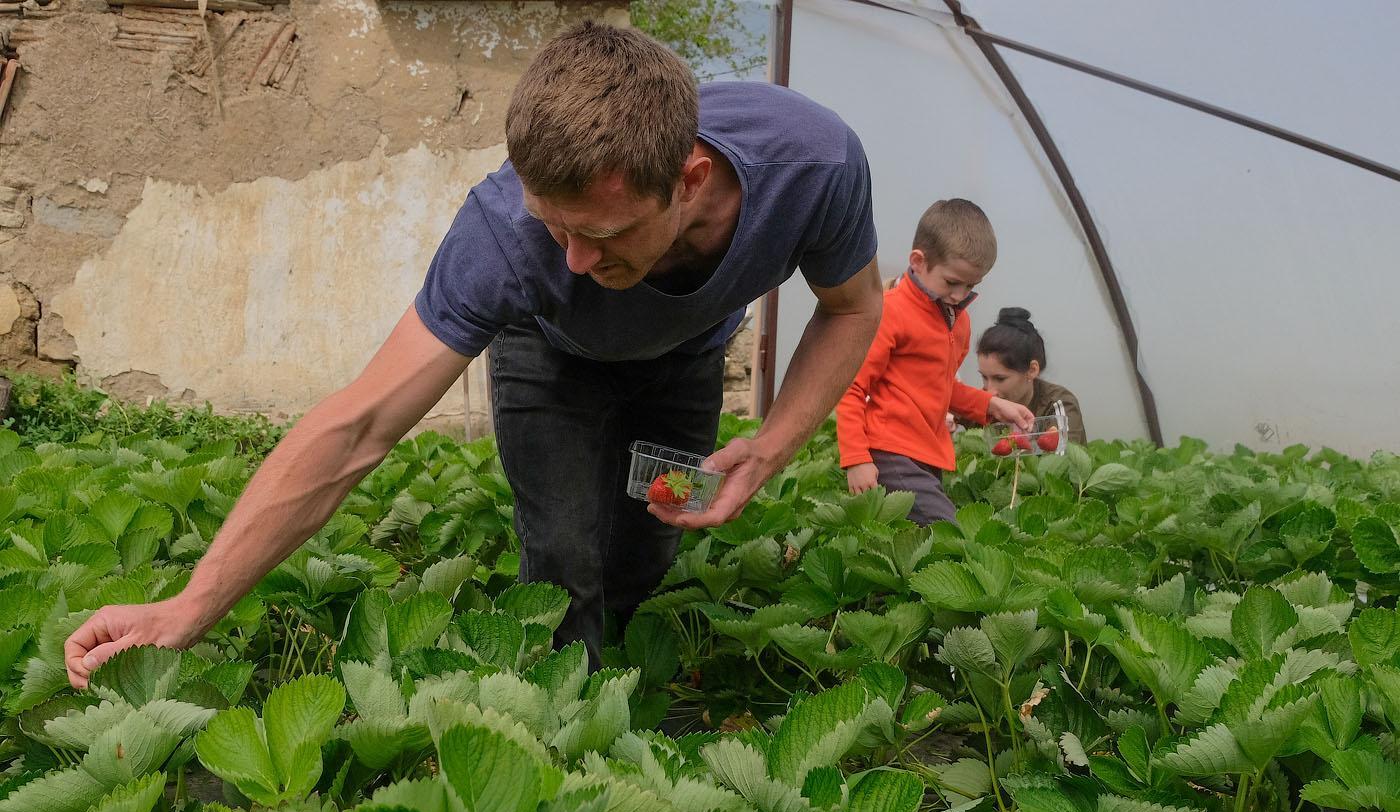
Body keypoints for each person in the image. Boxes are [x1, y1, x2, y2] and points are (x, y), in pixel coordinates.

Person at [64, 22, 884, 685]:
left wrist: (773, 447)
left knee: (646, 548)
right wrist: (186, 609)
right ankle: (559, 728)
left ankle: (623, 692)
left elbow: (850, 310)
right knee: (561, 554)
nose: (573, 262)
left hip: (687, 359)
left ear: (691, 179)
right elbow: (359, 427)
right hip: (551, 359)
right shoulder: (502, 237)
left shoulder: (816, 166)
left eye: (602, 234)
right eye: (553, 227)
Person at [836, 199, 1034, 526]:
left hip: (927, 454)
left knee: (915, 547)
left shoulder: (959, 320)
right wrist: (856, 458)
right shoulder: (891, 312)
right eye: (952, 282)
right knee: (947, 536)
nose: (960, 294)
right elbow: (852, 385)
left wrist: (992, 406)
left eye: (971, 285)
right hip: (890, 452)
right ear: (918, 261)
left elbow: (942, 387)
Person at [976, 307, 1087, 443]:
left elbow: (1062, 461)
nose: (990, 391)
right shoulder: (978, 403)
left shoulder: (1057, 403)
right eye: (984, 377)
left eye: (1000, 379)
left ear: (1032, 370)